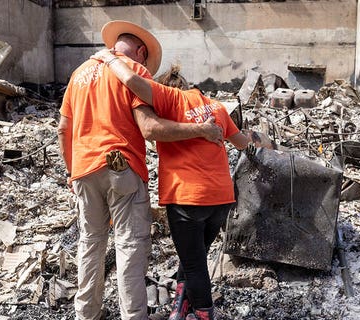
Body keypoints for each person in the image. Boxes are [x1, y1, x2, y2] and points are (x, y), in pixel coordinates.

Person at [57, 20, 223, 320]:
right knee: (129, 247)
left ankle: (86, 314)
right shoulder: (134, 72)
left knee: (90, 243)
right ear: (141, 51)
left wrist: (72, 172)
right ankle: (133, 316)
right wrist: (200, 130)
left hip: (82, 169)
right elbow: (149, 128)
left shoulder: (78, 74)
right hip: (121, 167)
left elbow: (63, 129)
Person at [94, 48, 250, 320]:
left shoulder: (170, 97)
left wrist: (109, 58)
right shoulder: (216, 106)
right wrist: (259, 141)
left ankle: (204, 313)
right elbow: (242, 144)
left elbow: (132, 81)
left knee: (194, 263)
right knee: (193, 256)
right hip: (221, 199)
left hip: (188, 198)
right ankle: (180, 309)